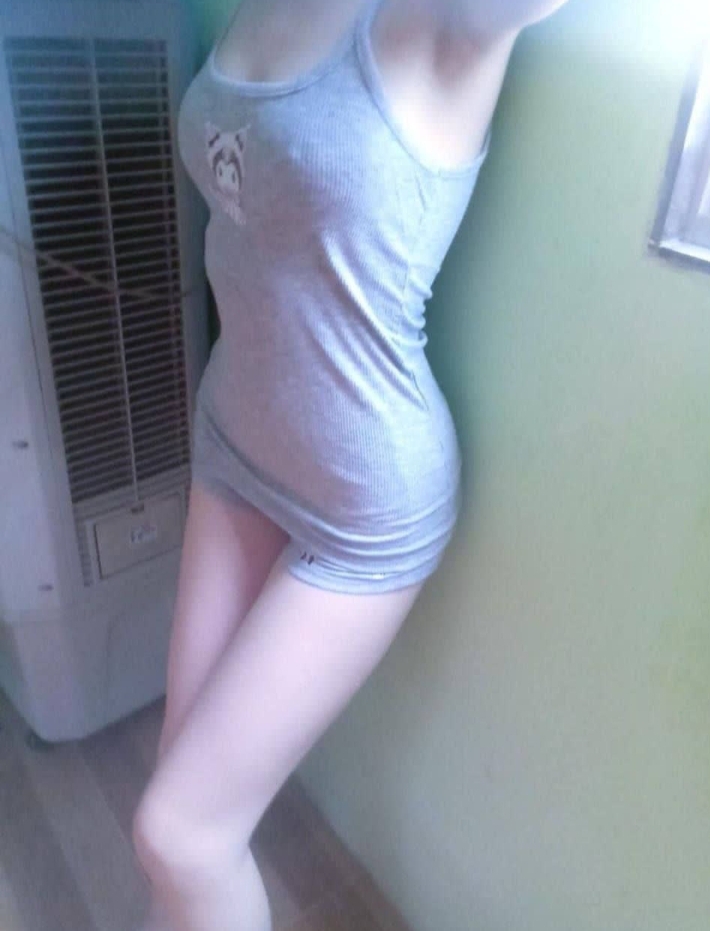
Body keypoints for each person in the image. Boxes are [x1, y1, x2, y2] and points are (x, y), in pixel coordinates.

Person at [132, 1, 569, 929]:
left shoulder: (449, 18)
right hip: (233, 441)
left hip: (362, 500)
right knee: (178, 803)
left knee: (182, 836)